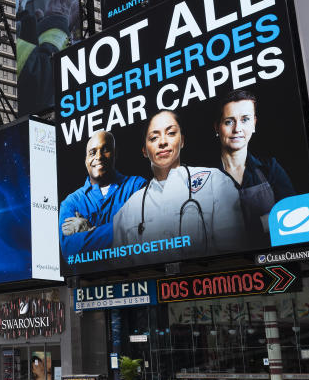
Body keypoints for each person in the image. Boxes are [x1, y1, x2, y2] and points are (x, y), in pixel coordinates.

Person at [113, 110, 244, 258]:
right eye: (154, 137)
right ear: (144, 151)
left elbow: (234, 254)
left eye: (171, 133)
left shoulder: (214, 181)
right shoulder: (127, 211)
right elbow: (122, 271)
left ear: (182, 141)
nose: (162, 142)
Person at [214, 90, 295, 240]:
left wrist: (255, 226)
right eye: (229, 121)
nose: (237, 128)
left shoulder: (270, 168)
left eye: (245, 120)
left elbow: (295, 214)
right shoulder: (202, 178)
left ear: (254, 124)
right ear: (217, 127)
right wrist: (271, 220)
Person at [59, 130, 146, 258]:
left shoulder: (136, 186)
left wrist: (90, 229)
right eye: (92, 152)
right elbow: (70, 251)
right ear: (86, 160)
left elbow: (145, 229)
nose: (98, 157)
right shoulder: (71, 202)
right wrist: (123, 229)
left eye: (105, 149)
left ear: (115, 154)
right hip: (89, 277)